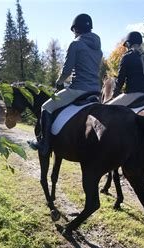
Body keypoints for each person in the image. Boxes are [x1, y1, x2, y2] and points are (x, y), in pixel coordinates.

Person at [29, 13, 103, 155]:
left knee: (46, 107)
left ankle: (43, 143)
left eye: (74, 30)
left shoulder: (76, 44)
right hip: (95, 90)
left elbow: (67, 70)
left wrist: (59, 82)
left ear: (76, 29)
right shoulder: (97, 48)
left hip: (78, 89)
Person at [106, 31, 144, 106]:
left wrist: (114, 94)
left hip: (133, 95)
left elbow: (120, 80)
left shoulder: (126, 57)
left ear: (128, 44)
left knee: (107, 108)